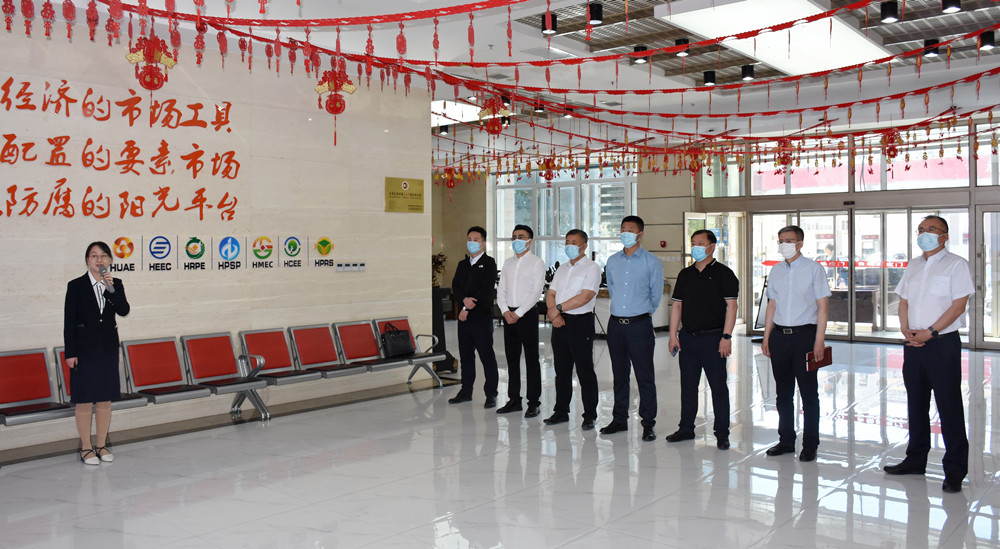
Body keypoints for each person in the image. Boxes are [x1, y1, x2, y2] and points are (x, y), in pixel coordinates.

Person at [883, 215, 973, 494]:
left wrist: (931, 332)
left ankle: (955, 471)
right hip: (913, 344)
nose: (925, 234)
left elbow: (958, 306)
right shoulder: (913, 265)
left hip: (942, 344)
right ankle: (915, 460)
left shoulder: (957, 265)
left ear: (945, 235)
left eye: (931, 229)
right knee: (916, 404)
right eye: (921, 230)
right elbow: (904, 300)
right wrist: (906, 329)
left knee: (949, 406)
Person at [761, 225, 830, 462]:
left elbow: (823, 307)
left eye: (789, 240)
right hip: (780, 336)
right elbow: (772, 305)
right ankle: (786, 440)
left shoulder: (814, 269)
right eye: (781, 240)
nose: (784, 245)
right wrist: (767, 336)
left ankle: (810, 444)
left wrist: (819, 340)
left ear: (800, 243)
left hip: (805, 337)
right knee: (783, 393)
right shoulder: (776, 270)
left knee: (809, 393)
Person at [665, 230, 738, 449]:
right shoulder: (685, 274)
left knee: (718, 387)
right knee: (688, 386)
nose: (696, 247)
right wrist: (673, 335)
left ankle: (722, 433)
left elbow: (732, 306)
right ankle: (686, 428)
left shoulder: (724, 273)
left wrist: (726, 336)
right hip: (688, 338)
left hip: (713, 338)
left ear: (712, 246)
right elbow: (677, 306)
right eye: (693, 243)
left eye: (700, 243)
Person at [64, 241, 131, 465]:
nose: (99, 260)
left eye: (103, 256)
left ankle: (101, 445)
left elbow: (124, 310)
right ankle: (86, 447)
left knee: (104, 399)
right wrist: (70, 352)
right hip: (84, 350)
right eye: (94, 256)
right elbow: (69, 322)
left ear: (109, 260)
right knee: (84, 400)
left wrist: (110, 290)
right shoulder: (76, 286)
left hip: (107, 348)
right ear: (87, 260)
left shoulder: (115, 284)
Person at [602, 215, 664, 441]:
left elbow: (656, 295)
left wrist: (641, 312)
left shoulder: (651, 262)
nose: (625, 233)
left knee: (644, 376)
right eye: (623, 229)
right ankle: (619, 419)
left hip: (639, 325)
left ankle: (648, 423)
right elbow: (612, 288)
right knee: (619, 375)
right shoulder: (612, 261)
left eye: (630, 229)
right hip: (616, 325)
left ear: (640, 234)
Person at [544, 229, 601, 430]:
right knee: (561, 370)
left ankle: (590, 415)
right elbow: (551, 293)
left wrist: (557, 309)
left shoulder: (592, 268)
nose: (570, 245)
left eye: (574, 242)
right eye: (567, 242)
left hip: (580, 323)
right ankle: (561, 411)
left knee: (584, 370)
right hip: (559, 322)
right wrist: (554, 313)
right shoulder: (562, 268)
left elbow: (585, 297)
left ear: (584, 246)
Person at [495, 224, 546, 418]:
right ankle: (514, 399)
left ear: (530, 241)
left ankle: (534, 402)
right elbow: (501, 290)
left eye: (521, 236)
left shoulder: (536, 263)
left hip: (527, 315)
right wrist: (505, 311)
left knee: (532, 359)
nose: (517, 240)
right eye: (514, 236)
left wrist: (519, 313)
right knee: (512, 358)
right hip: (509, 315)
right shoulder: (508, 263)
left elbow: (536, 292)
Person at [449, 226, 500, 408]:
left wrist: (467, 308)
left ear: (483, 243)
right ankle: (466, 391)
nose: (472, 242)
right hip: (464, 320)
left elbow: (485, 291)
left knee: (486, 356)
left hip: (481, 318)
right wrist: (463, 300)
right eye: (469, 239)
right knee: (466, 356)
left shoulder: (489, 263)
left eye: (476, 240)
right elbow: (456, 286)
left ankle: (491, 394)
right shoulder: (462, 264)